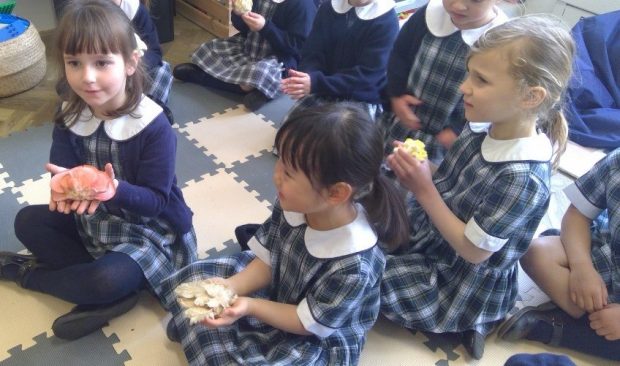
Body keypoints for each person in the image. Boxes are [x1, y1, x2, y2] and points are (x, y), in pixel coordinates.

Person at [379, 15, 575, 360]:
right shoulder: (484, 126)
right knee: (351, 231)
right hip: (430, 234)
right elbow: (459, 180)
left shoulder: (522, 178)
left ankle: (468, 321)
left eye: (480, 80)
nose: (463, 87)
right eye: (469, 73)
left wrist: (423, 188)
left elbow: (474, 251)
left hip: (453, 277)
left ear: (530, 96)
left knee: (363, 275)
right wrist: (423, 170)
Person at [0, 0, 197, 340]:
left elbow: (156, 202)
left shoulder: (152, 125)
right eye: (74, 63)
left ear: (131, 63)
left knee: (104, 280)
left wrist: (114, 190)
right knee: (26, 221)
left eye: (102, 62)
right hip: (93, 218)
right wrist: (61, 183)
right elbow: (60, 166)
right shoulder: (72, 113)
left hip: (147, 230)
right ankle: (106, 295)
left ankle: (32, 276)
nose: (87, 77)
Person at [159, 103, 409, 365]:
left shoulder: (354, 263)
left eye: (289, 172)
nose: (276, 175)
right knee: (194, 280)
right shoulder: (296, 203)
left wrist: (249, 306)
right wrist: (231, 288)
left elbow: (306, 322)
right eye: (279, 160)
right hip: (278, 289)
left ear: (336, 193)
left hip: (311, 333)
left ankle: (199, 334)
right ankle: (203, 332)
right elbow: (268, 260)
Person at [498, 148, 620, 361]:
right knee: (537, 252)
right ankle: (591, 320)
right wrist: (583, 269)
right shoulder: (617, 161)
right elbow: (577, 215)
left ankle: (562, 331)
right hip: (609, 260)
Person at [381, 0, 509, 163]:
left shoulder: (502, 40)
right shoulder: (428, 15)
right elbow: (400, 55)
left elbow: (495, 98)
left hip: (447, 137)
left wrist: (457, 129)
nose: (458, 6)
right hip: (405, 118)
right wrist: (397, 94)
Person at [172, 0, 316, 111]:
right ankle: (256, 89)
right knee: (207, 48)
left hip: (277, 58)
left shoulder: (302, 5)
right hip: (248, 46)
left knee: (258, 74)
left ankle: (201, 77)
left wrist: (265, 27)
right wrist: (238, 13)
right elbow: (242, 27)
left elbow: (297, 47)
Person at [280, 0, 399, 120]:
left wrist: (317, 83)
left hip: (360, 97)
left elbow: (367, 77)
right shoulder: (329, 7)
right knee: (291, 130)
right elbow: (312, 51)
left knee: (336, 134)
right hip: (322, 88)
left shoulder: (387, 21)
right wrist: (309, 77)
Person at [112, 0, 174, 122]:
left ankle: (153, 107)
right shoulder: (85, 13)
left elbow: (154, 50)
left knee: (162, 70)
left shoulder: (135, 10)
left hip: (133, 71)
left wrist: (135, 67)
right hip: (102, 76)